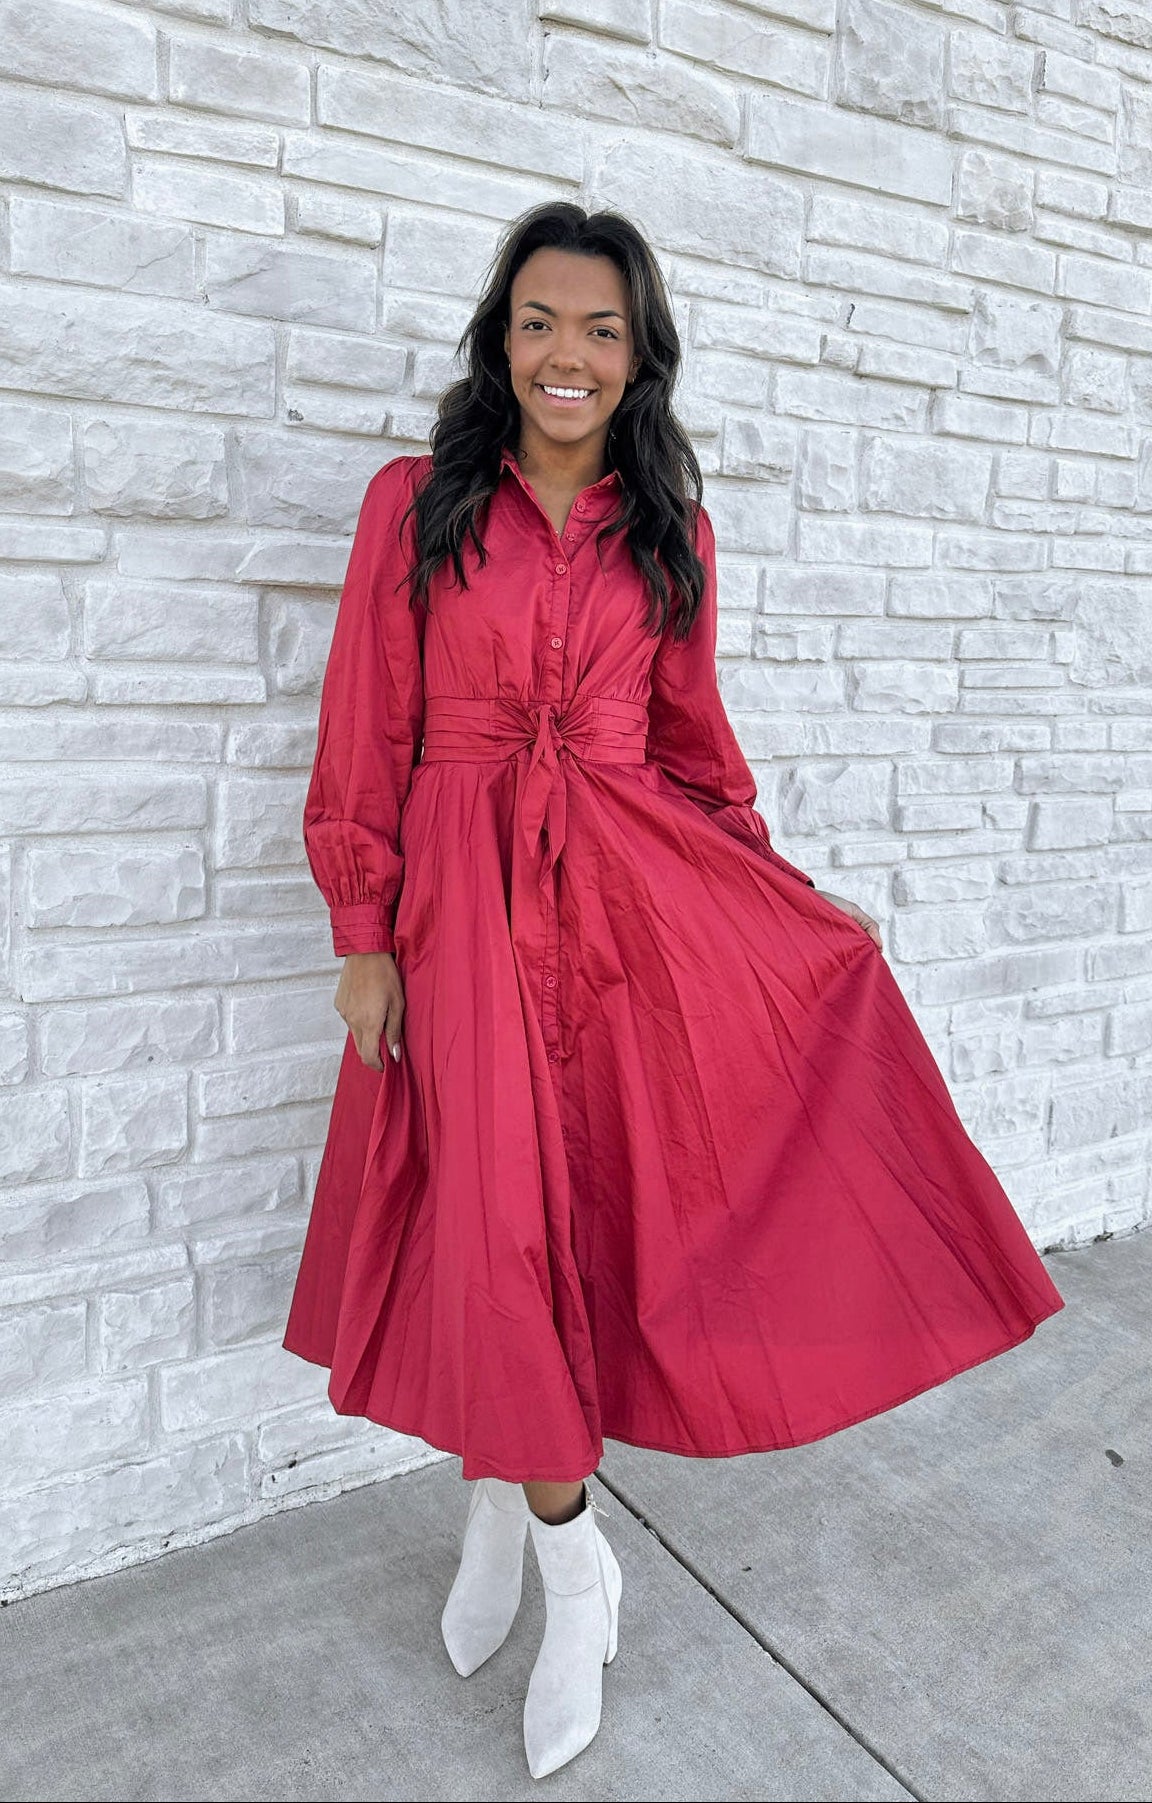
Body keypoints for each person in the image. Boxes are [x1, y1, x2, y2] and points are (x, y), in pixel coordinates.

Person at [283, 200, 1065, 1781]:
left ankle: (535, 1539)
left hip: (631, 916)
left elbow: (696, 759)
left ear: (637, 358)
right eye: (535, 323)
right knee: (479, 1234)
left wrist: (774, 911)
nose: (563, 355)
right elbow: (364, 730)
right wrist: (362, 930)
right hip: (456, 913)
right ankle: (555, 1550)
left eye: (598, 330)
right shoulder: (414, 507)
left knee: (564, 1234)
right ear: (499, 341)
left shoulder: (671, 533)